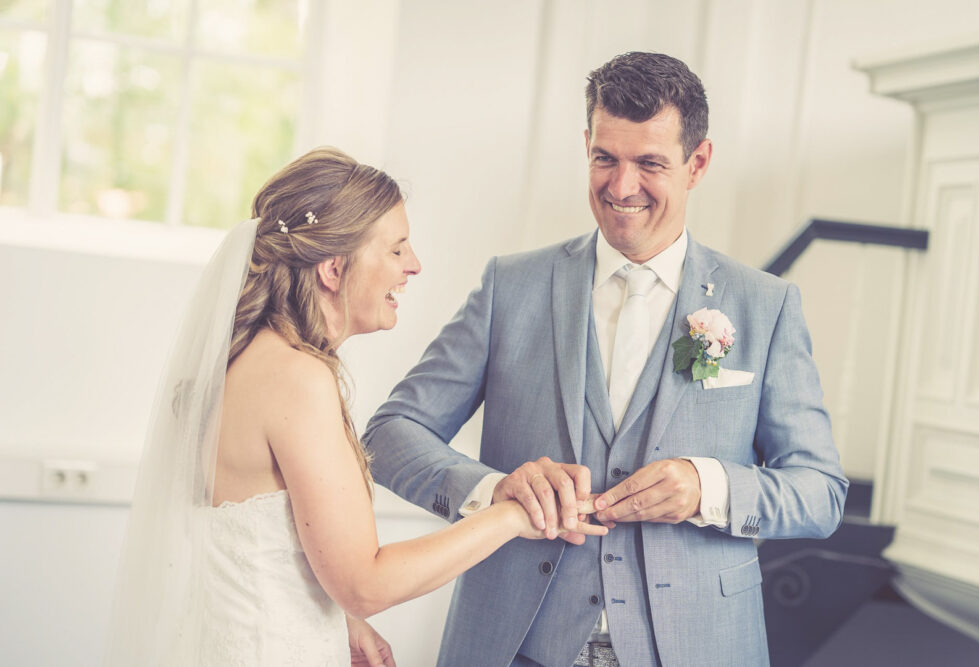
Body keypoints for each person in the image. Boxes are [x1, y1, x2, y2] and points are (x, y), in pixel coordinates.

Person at [363, 52, 849, 667]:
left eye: (650, 163)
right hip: (517, 644)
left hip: (698, 646)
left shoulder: (766, 306)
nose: (621, 187)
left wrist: (708, 486)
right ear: (586, 146)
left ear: (698, 163)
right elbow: (389, 434)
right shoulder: (511, 287)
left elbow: (819, 493)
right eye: (605, 158)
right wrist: (493, 490)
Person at [104, 147, 607, 667]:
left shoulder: (245, 362)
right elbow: (366, 584)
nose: (413, 266)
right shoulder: (297, 378)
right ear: (333, 267)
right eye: (396, 249)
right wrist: (512, 516)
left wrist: (338, 621)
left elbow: (255, 551)